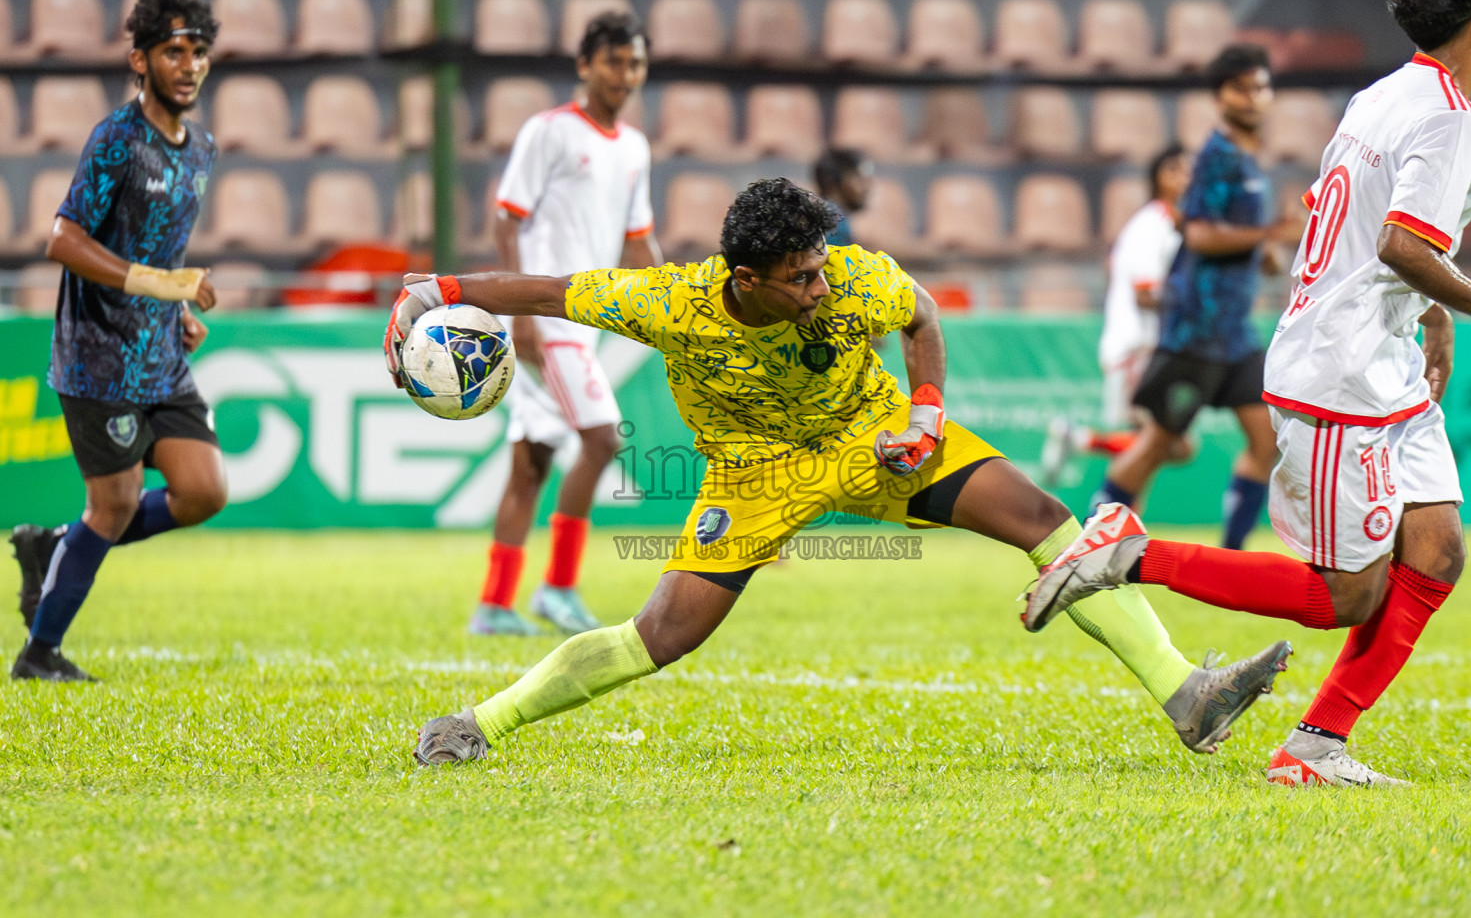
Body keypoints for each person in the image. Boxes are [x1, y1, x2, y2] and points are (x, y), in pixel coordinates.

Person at [390, 178, 1294, 766]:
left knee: (1041, 514)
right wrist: (437, 291)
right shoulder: (668, 302)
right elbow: (547, 292)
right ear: (744, 278)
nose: (823, 289)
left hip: (874, 440)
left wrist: (928, 409)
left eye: (822, 269)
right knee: (662, 633)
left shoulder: (851, 276)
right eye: (801, 279)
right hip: (752, 476)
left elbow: (924, 314)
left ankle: (1189, 695)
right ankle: (483, 725)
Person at [1025, 0, 1471, 788]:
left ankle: (1314, 747)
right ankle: (1125, 551)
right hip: (1343, 375)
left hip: (1384, 363)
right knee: (1348, 595)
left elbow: (1383, 230)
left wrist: (1433, 315)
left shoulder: (1385, 94)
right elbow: (1402, 244)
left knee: (1439, 548)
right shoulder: (1454, 122)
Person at [9, 0, 227, 681]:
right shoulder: (116, 140)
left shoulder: (202, 151)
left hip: (160, 356)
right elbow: (63, 239)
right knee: (117, 504)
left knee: (204, 491)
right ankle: (40, 654)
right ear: (140, 61)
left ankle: (53, 546)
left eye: (198, 51)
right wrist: (164, 286)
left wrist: (176, 309)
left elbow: (156, 247)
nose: (188, 64)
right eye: (172, 51)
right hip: (99, 360)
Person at [472, 11, 663, 638]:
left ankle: (494, 605)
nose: (625, 74)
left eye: (634, 62)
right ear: (585, 65)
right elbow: (507, 220)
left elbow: (638, 240)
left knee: (532, 460)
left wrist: (668, 307)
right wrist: (517, 312)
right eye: (613, 60)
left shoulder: (634, 147)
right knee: (603, 439)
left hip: (589, 321)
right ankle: (556, 588)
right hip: (548, 313)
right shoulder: (549, 132)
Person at [1090, 45, 1300, 549]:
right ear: (1219, 95)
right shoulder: (1214, 157)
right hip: (1197, 329)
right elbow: (1203, 236)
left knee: (1267, 441)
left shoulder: (1251, 161)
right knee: (1160, 443)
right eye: (1240, 87)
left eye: (1260, 86)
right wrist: (1270, 233)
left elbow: (1238, 236)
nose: (1252, 97)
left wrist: (1264, 251)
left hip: (1235, 333)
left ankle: (1230, 554)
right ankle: (1087, 544)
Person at [1042, 146, 1193, 484]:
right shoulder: (1152, 226)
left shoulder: (1167, 225)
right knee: (1165, 445)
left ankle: (1078, 441)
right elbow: (1146, 295)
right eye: (1180, 170)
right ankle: (1110, 510)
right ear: (1161, 177)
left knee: (1162, 447)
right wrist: (1194, 305)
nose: (1189, 177)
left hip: (1144, 347)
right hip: (1138, 347)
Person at [811, 147, 873, 248]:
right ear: (832, 181)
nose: (866, 188)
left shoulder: (827, 216)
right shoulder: (834, 223)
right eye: (859, 179)